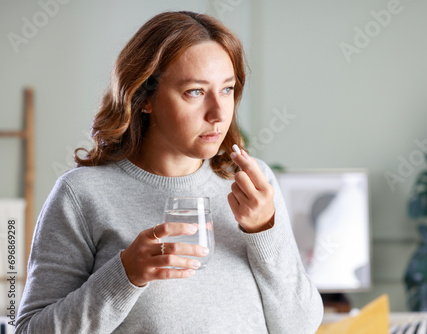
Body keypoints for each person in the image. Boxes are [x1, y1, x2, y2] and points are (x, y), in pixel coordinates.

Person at [15, 11, 323, 333]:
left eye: (227, 89)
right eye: (195, 91)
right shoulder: (81, 195)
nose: (219, 114)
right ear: (145, 97)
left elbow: (300, 325)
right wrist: (124, 275)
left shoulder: (250, 183)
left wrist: (263, 230)